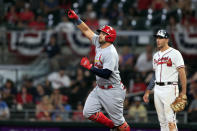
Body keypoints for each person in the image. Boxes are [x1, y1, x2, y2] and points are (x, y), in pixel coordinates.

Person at [66, 9, 130, 131]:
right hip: (100, 88)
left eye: (103, 33)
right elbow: (86, 30)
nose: (100, 35)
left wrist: (90, 67)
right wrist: (76, 19)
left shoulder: (111, 52)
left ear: (109, 37)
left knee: (121, 124)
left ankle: (116, 126)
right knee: (88, 112)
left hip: (113, 90)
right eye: (100, 33)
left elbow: (106, 74)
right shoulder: (99, 43)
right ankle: (112, 127)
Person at [143, 29, 187, 131]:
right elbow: (155, 75)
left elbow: (182, 73)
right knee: (162, 121)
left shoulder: (175, 53)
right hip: (157, 89)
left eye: (161, 38)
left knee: (170, 121)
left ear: (167, 39)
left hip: (170, 88)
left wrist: (183, 92)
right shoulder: (155, 56)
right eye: (157, 38)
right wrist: (148, 91)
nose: (158, 40)